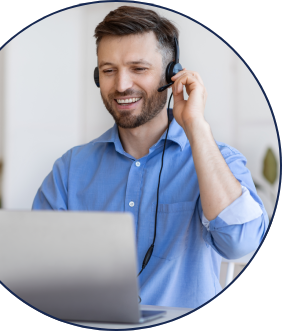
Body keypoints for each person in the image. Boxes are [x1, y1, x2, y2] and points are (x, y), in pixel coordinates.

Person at [32, 6, 269, 308]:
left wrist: (195, 126)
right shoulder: (70, 169)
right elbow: (38, 267)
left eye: (139, 69)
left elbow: (241, 243)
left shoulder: (217, 158)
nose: (121, 85)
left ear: (173, 75)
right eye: (108, 70)